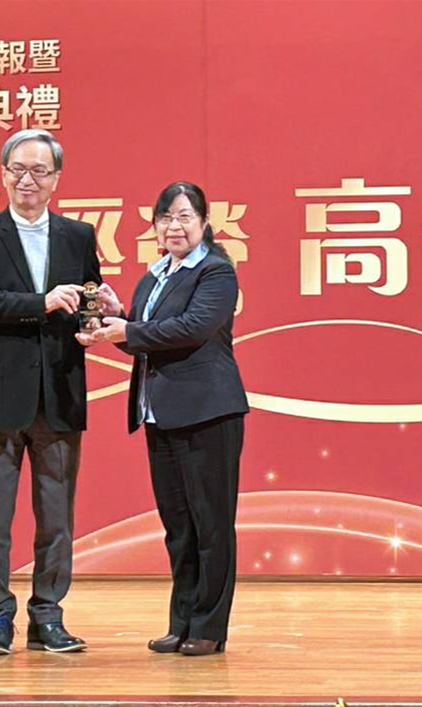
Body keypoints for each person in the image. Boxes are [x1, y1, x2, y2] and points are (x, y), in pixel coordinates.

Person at [0, 129, 114, 655]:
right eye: (18, 169)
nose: (28, 180)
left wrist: (99, 316)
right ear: (3, 174)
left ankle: (48, 617)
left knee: (57, 521)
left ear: (56, 179)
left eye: (39, 171)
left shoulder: (78, 235)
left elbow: (87, 302)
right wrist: (41, 302)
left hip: (60, 394)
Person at [81, 181, 249, 656]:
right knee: (179, 526)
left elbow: (191, 329)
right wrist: (117, 315)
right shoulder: (154, 276)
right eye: (165, 218)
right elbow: (146, 337)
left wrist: (128, 328)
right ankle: (182, 622)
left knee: (211, 524)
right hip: (160, 415)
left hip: (208, 412)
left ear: (204, 223)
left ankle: (209, 628)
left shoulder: (217, 272)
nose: (174, 227)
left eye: (184, 217)